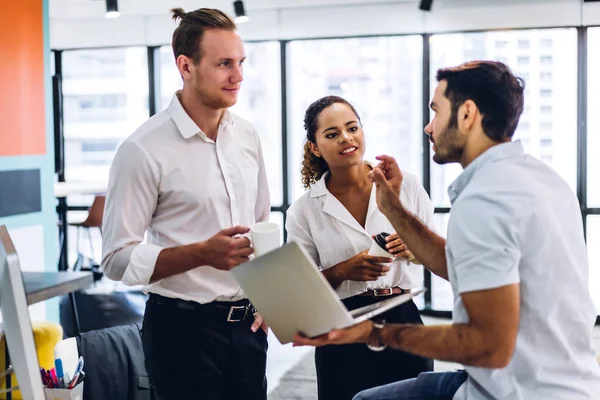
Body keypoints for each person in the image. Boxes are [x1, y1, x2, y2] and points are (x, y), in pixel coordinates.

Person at [293, 61, 600, 400]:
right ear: (315, 146)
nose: (428, 127)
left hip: (517, 388)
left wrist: (376, 333)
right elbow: (457, 262)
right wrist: (393, 209)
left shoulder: (485, 198)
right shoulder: (541, 178)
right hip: (565, 378)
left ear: (467, 115)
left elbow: (486, 347)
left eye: (436, 111)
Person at [101, 8, 270, 400]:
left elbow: (261, 225)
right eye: (224, 64)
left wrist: (269, 298)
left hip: (247, 330)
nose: (238, 76)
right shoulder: (142, 149)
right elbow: (115, 258)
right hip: (182, 333)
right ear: (186, 66)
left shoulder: (247, 136)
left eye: (241, 62)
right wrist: (201, 254)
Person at [286, 95, 434, 400]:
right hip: (342, 326)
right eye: (332, 134)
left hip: (402, 316)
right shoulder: (304, 210)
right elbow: (297, 290)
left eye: (352, 128)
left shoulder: (405, 185)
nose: (346, 138)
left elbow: (438, 256)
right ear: (315, 147)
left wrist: (412, 248)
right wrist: (342, 270)